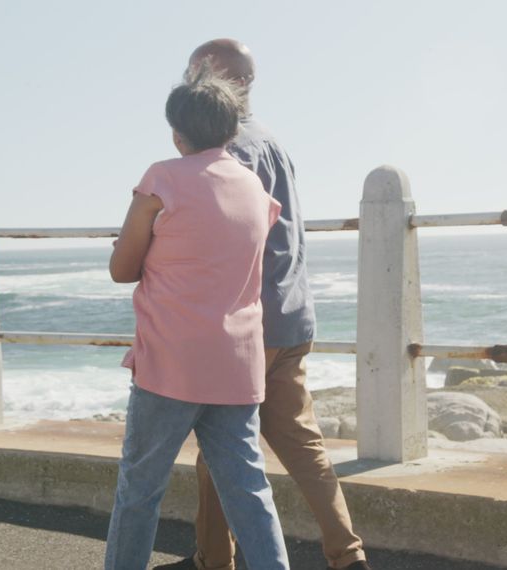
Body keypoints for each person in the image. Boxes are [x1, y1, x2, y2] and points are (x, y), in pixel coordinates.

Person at [156, 39, 371, 570]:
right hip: (293, 312)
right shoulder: (271, 140)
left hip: (248, 324)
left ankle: (215, 559)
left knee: (220, 448)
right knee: (302, 444)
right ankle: (347, 554)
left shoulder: (228, 152)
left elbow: (224, 243)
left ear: (209, 76)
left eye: (191, 70)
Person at [103, 63, 289, 570]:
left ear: (176, 131)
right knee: (249, 489)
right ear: (233, 129)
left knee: (140, 489)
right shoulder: (255, 189)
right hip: (236, 364)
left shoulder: (162, 177)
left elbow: (123, 269)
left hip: (170, 361)